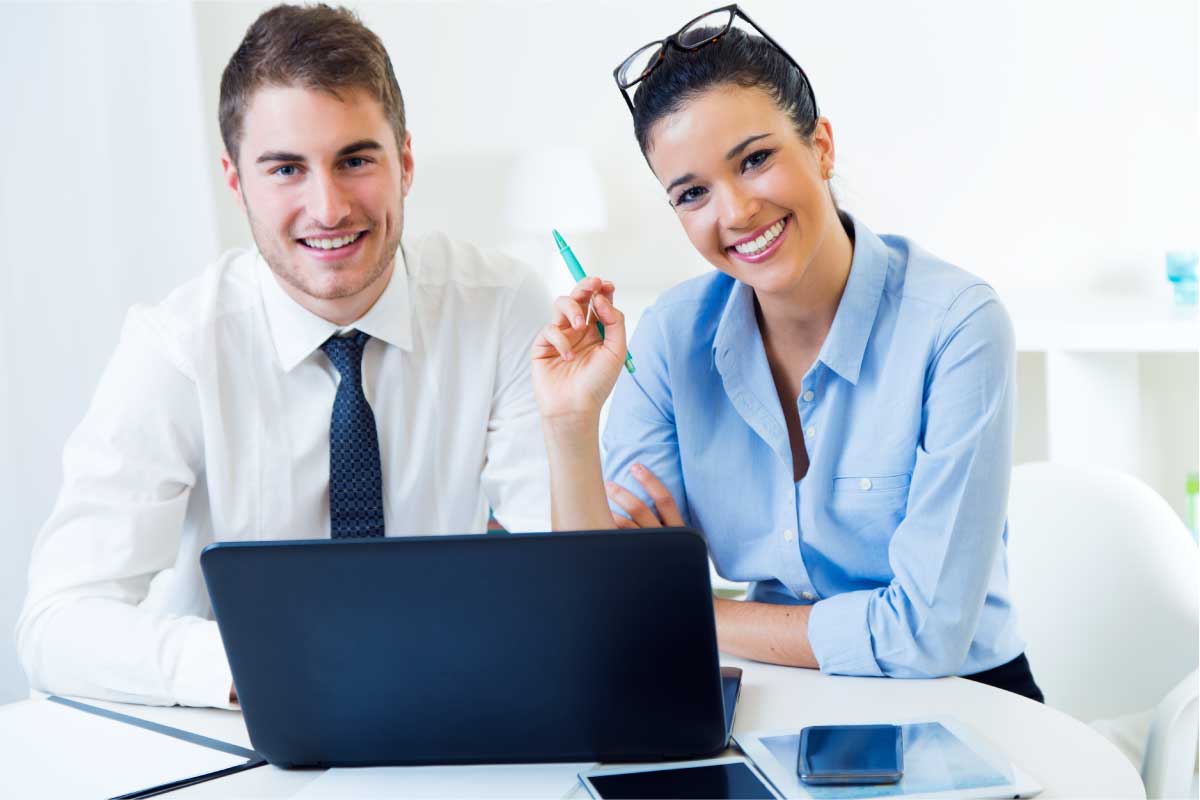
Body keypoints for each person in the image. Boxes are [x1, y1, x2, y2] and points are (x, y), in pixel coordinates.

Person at [16, 4, 550, 708]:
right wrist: (261, 665)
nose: (328, 208)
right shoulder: (177, 348)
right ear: (236, 182)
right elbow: (56, 625)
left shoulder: (502, 306)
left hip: (442, 704)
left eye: (355, 160)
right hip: (243, 728)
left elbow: (564, 579)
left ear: (406, 163)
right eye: (286, 169)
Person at [532, 5, 1043, 701]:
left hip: (964, 696)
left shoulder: (956, 326)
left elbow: (926, 636)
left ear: (822, 146)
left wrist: (693, 611)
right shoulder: (673, 337)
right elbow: (601, 610)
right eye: (692, 193)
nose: (736, 211)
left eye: (755, 159)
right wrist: (569, 423)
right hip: (774, 694)